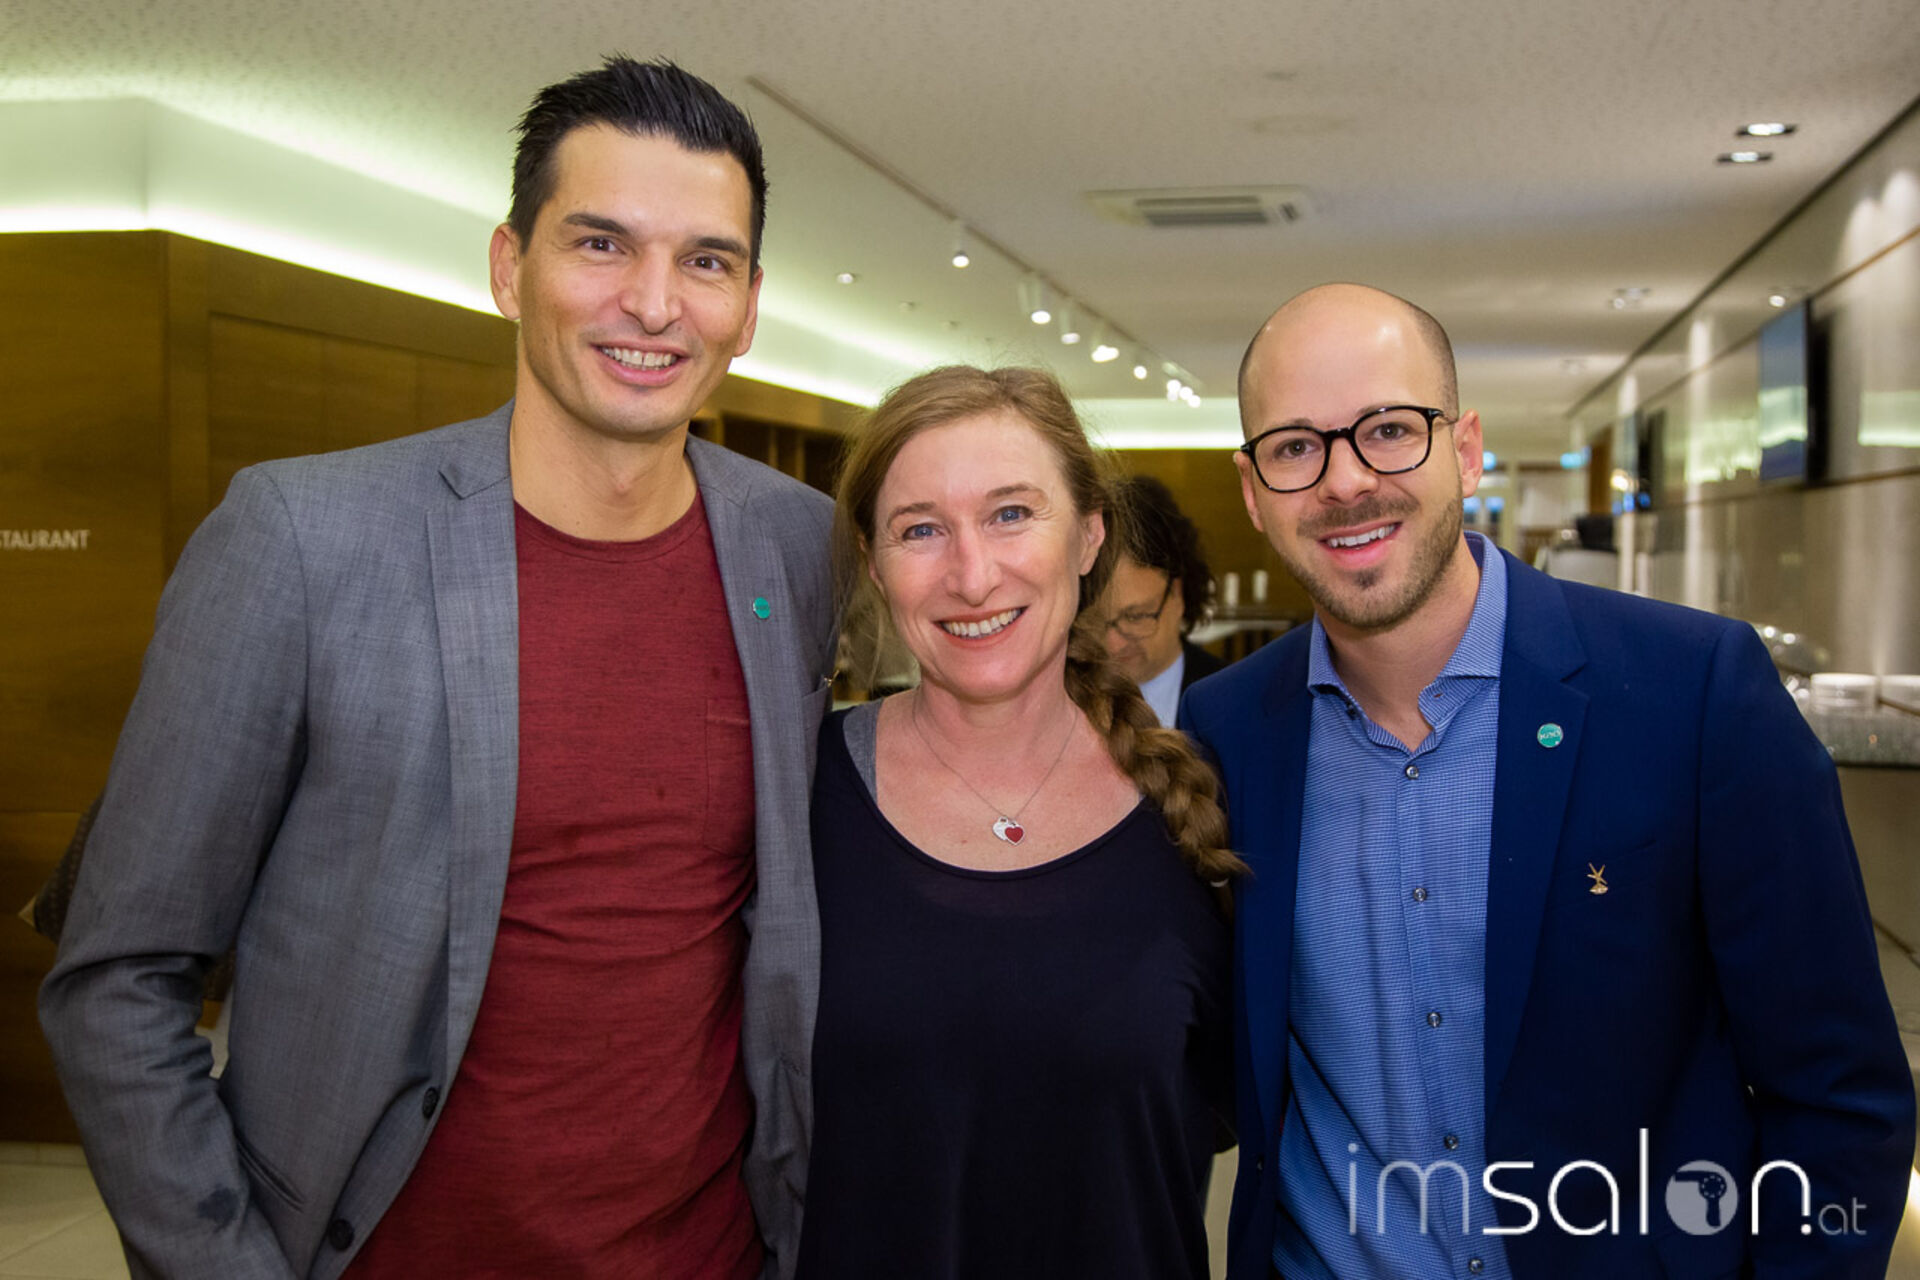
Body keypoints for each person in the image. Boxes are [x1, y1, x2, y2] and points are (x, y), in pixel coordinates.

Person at [39, 57, 835, 1280]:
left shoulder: (800, 543)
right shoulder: (301, 539)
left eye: (707, 261)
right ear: (510, 267)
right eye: (602, 243)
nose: (655, 302)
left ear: (751, 301)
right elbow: (120, 975)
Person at [1181, 283, 1914, 1280]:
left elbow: (1839, 1095)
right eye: (1296, 446)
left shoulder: (1693, 691)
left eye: (1389, 429)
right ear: (1253, 489)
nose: (1346, 481)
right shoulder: (1225, 732)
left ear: (1466, 448)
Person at [798, 365, 1239, 1279]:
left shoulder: (1202, 805)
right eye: (921, 529)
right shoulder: (795, 795)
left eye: (1010, 514)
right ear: (874, 563)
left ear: (1088, 535)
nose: (972, 575)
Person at [1103, 474, 1226, 726]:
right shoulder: (1060, 698)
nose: (1113, 643)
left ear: (1177, 594)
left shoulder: (1231, 698)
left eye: (1135, 617)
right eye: (1097, 621)